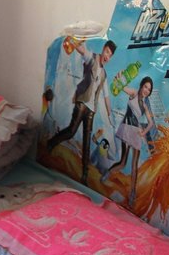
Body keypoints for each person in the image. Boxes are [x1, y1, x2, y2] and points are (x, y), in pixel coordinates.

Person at [46, 39, 116, 184]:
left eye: (110, 55)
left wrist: (110, 115)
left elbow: (106, 96)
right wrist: (74, 41)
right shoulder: (92, 58)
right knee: (71, 131)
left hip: (91, 110)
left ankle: (84, 174)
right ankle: (51, 143)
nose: (107, 56)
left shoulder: (104, 74)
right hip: (82, 103)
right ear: (103, 49)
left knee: (86, 141)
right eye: (107, 52)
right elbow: (83, 51)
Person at [105, 76, 155, 206]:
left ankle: (132, 194)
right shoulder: (134, 93)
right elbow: (122, 87)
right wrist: (119, 79)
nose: (146, 90)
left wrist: (143, 132)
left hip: (136, 133)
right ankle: (107, 173)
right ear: (141, 85)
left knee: (134, 166)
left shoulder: (145, 105)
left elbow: (151, 123)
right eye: (145, 87)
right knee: (123, 162)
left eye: (149, 89)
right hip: (126, 129)